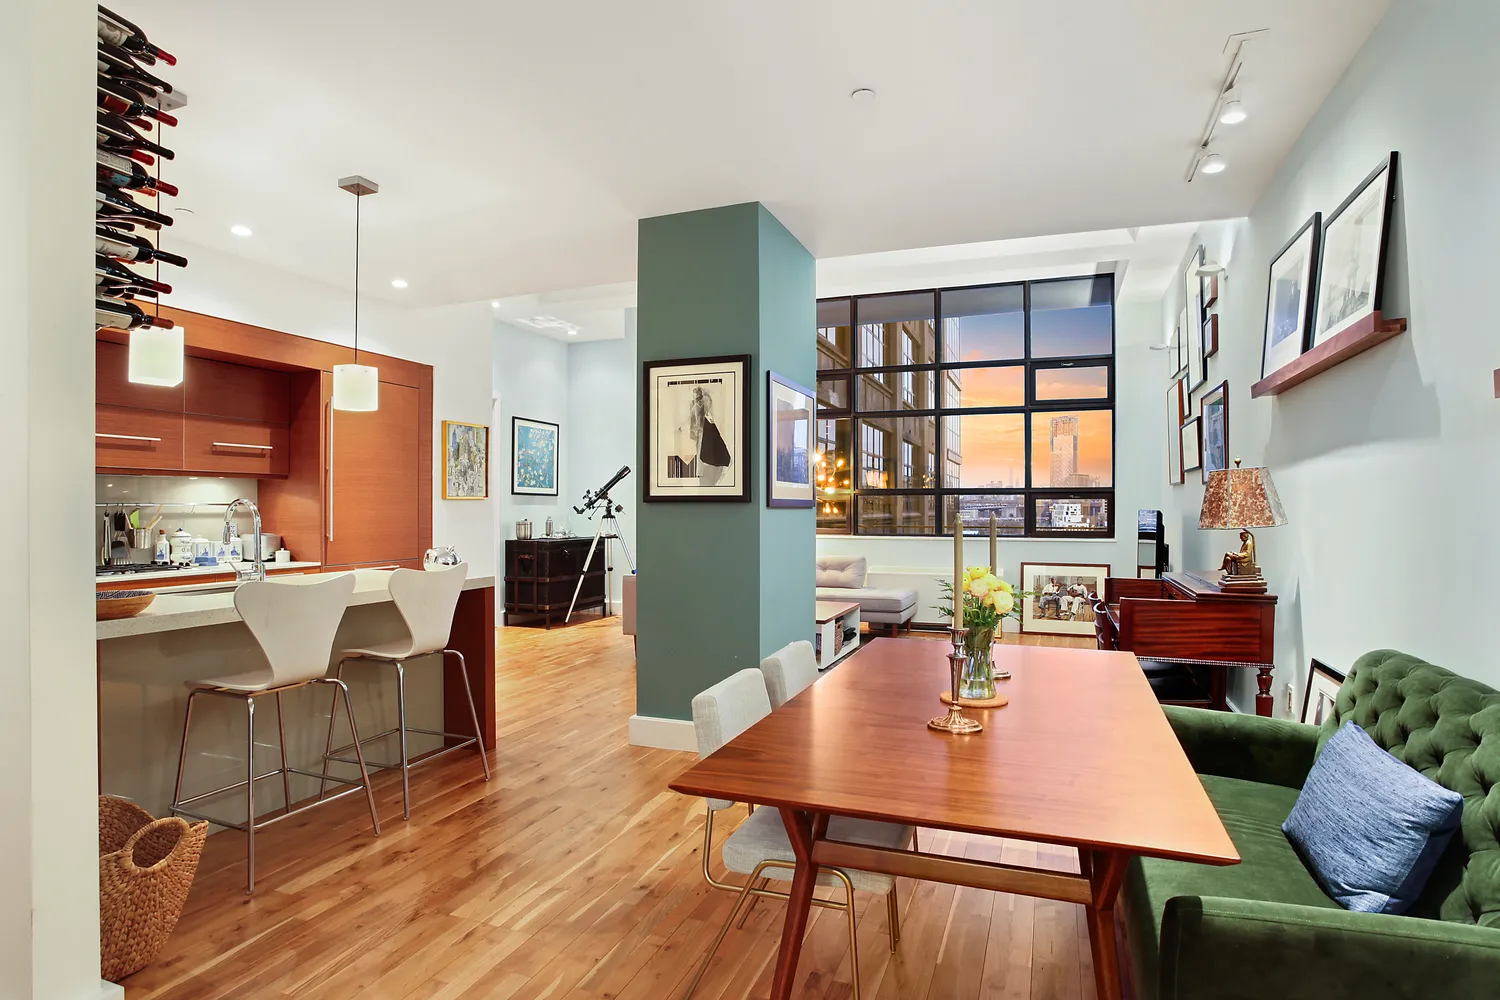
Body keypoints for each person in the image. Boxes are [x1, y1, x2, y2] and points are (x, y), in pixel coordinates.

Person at [690, 386, 731, 487]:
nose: (696, 404)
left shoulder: (710, 424)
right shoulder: (703, 421)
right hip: (708, 462)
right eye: (695, 400)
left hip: (712, 463)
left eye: (698, 400)